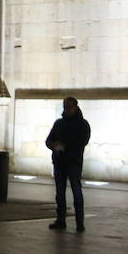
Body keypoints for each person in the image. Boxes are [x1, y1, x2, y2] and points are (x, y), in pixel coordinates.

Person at [46, 96, 91, 232]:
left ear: (76, 107)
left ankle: (79, 222)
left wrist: (65, 146)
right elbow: (48, 140)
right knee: (59, 193)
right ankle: (61, 220)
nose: (67, 109)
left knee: (76, 191)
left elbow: (82, 141)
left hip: (73, 163)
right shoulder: (59, 123)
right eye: (65, 106)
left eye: (70, 107)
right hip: (59, 163)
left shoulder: (82, 124)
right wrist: (54, 145)